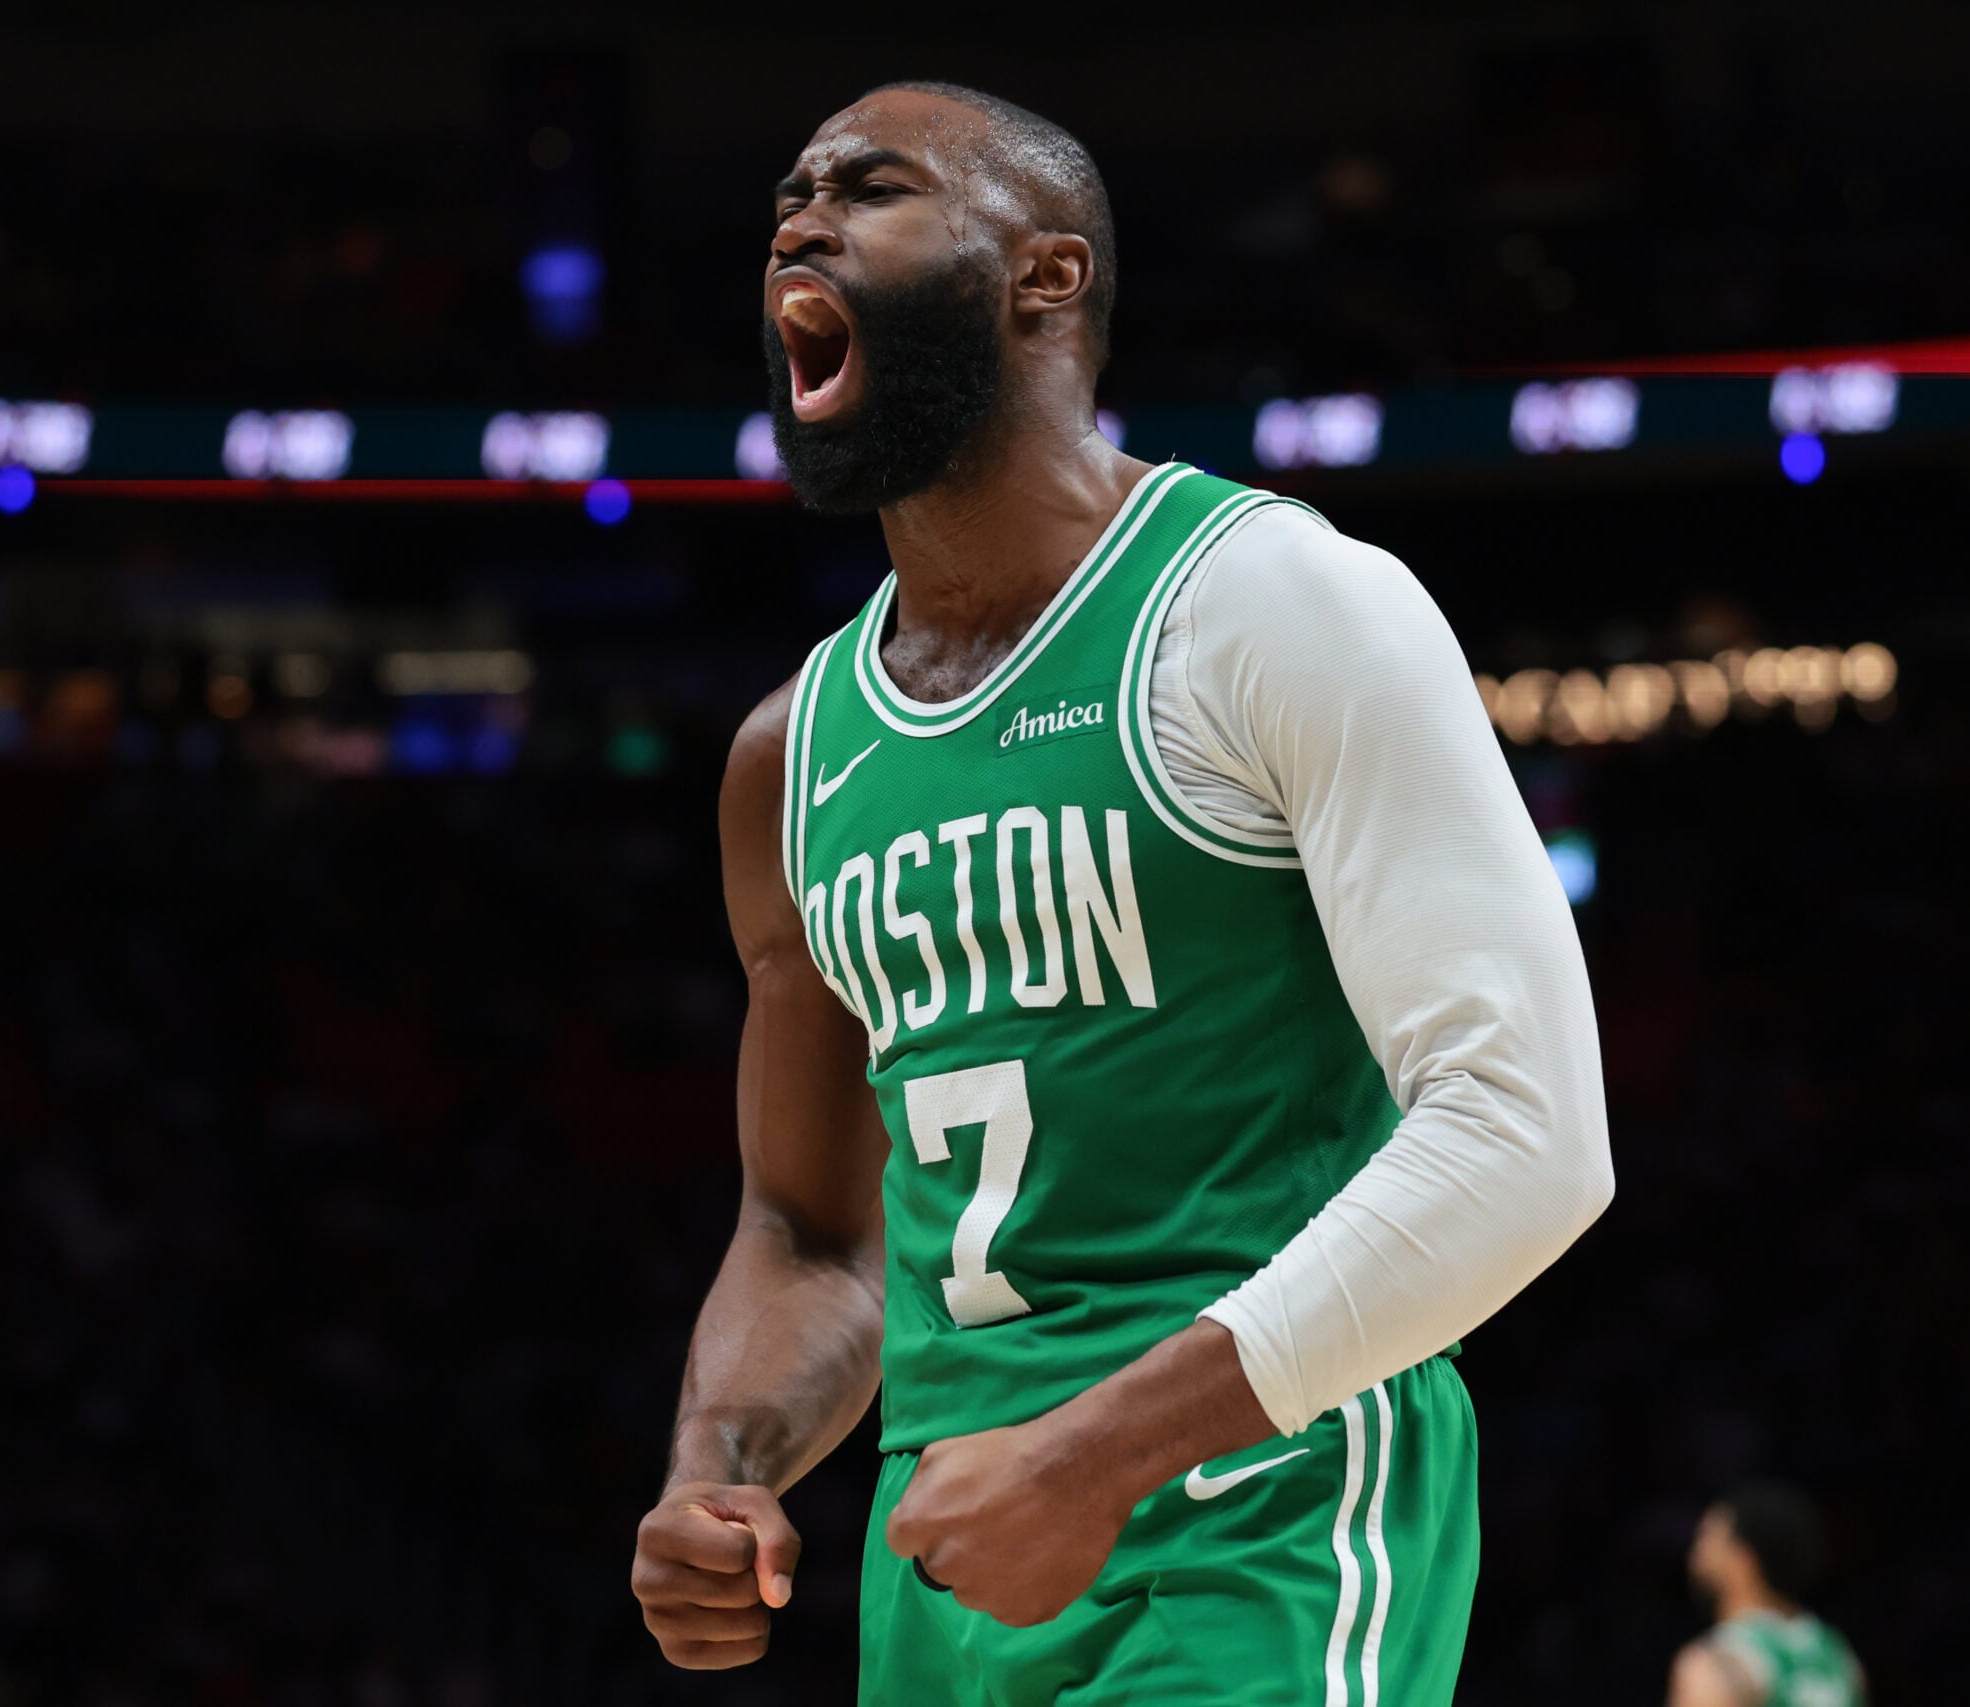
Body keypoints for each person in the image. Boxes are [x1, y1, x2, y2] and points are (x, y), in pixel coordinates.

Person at [629, 79, 1614, 1705]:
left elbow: (1529, 1131)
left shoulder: (1272, 602)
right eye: (788, 201)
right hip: (948, 1546)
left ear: (1046, 273)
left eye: (869, 189)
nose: (800, 225)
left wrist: (1093, 1454)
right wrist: (715, 1466)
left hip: (1259, 1505)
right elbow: (812, 1232)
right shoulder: (791, 752)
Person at [1670, 1484, 1868, 1707]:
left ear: (1742, 1559)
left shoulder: (1714, 1666)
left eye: (1706, 1539)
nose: (1695, 1557)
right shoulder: (1840, 1656)